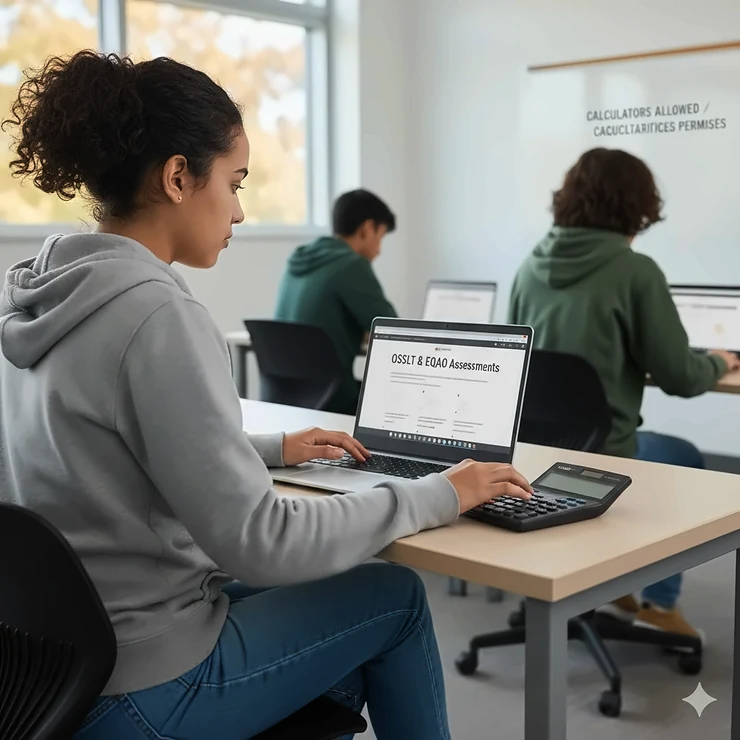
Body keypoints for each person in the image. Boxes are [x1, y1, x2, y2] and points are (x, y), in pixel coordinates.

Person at [0, 51, 534, 740]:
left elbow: (94, 445)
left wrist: (269, 448)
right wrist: (442, 493)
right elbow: (263, 542)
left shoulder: (36, 301)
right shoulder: (156, 315)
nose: (243, 210)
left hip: (57, 670)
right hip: (145, 683)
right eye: (236, 181)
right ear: (177, 177)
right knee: (392, 596)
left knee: (331, 608)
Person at [508, 147, 740, 638]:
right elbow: (681, 377)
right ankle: (657, 605)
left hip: (534, 452)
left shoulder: (528, 268)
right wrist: (720, 360)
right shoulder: (635, 271)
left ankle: (613, 584)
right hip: (609, 451)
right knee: (682, 456)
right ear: (635, 207)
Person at [275, 189, 397, 414]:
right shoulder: (351, 264)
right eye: (380, 237)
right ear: (367, 229)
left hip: (283, 397)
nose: (379, 250)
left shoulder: (299, 258)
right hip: (333, 398)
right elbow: (394, 331)